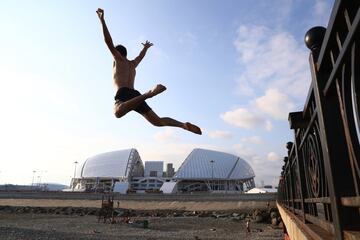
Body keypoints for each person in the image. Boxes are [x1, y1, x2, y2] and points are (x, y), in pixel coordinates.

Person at [96, 8, 202, 135]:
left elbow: (108, 42)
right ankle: (182, 125)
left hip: (124, 93)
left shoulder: (118, 59)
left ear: (118, 53)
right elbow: (140, 57)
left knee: (117, 113)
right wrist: (145, 48)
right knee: (157, 121)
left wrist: (102, 20)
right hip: (135, 95)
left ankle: (149, 94)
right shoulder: (132, 64)